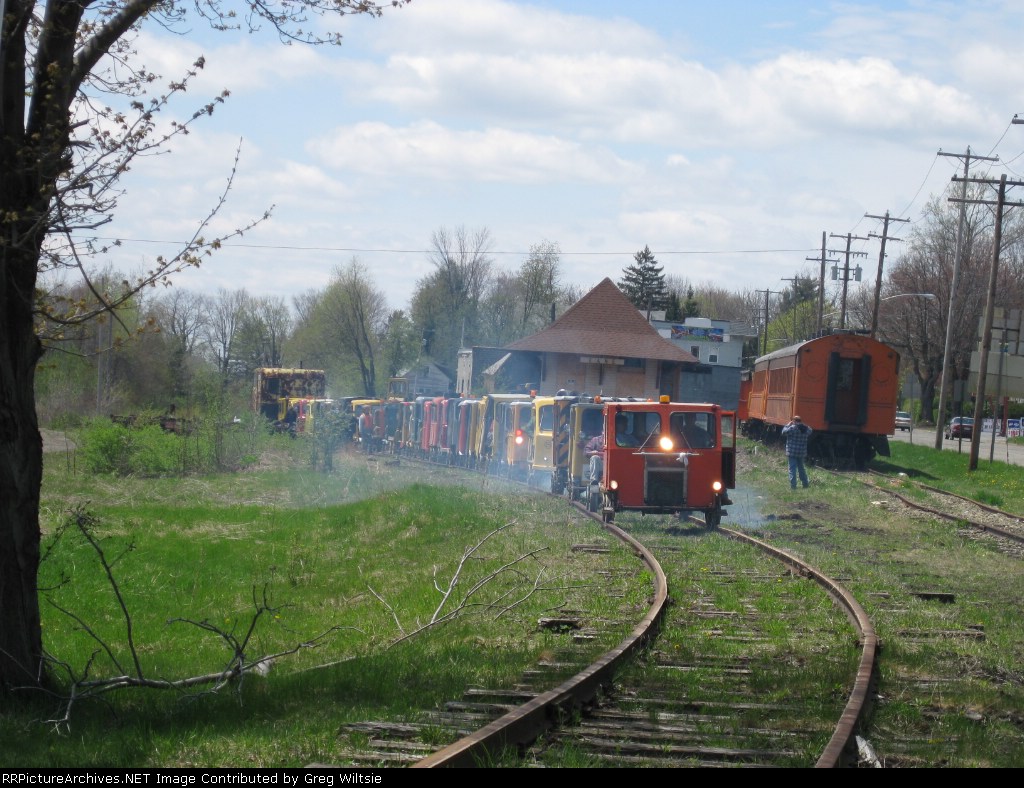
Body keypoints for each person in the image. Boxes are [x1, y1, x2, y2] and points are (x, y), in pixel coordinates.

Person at [782, 415, 812, 489]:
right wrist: (802, 424)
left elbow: (783, 432)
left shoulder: (792, 428)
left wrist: (788, 425)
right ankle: (805, 484)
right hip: (801, 452)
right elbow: (810, 430)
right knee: (801, 468)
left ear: (794, 421)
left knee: (792, 469)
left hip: (792, 452)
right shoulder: (806, 429)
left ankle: (793, 486)